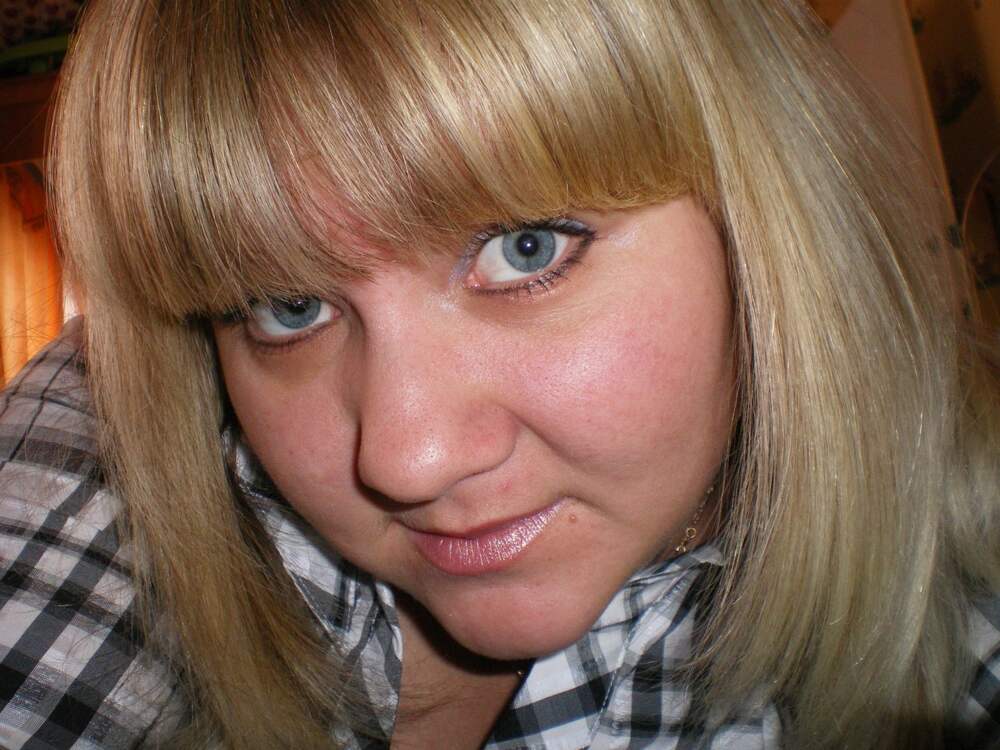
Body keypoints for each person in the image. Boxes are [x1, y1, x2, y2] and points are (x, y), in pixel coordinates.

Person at [2, 0, 998, 748]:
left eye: (527, 249)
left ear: (761, 221)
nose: (407, 459)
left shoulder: (961, 636)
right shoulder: (103, 437)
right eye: (285, 306)